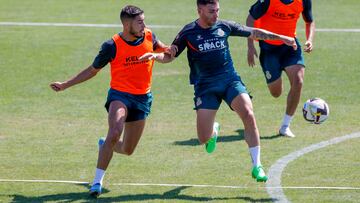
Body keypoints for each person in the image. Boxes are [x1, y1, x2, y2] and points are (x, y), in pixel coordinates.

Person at [140, 0, 297, 182]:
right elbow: (170, 54)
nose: (216, 15)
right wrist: (156, 57)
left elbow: (254, 32)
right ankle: (213, 132)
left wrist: (282, 37)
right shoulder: (188, 32)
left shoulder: (224, 26)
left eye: (217, 10)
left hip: (230, 80)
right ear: (199, 10)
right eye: (211, 11)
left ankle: (257, 166)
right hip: (205, 87)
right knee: (203, 138)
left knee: (248, 113)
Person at [50, 5, 170, 197]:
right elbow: (92, 70)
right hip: (119, 96)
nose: (144, 25)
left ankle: (105, 144)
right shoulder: (111, 46)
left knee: (128, 149)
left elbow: (167, 55)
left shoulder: (149, 36)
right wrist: (65, 84)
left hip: (143, 97)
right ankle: (97, 182)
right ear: (126, 23)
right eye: (140, 21)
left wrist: (160, 54)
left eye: (144, 20)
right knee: (114, 132)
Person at [246, 0, 315, 138]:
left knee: (298, 81)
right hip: (268, 49)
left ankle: (285, 125)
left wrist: (310, 39)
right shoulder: (268, 1)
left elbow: (309, 21)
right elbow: (250, 19)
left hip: (290, 46)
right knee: (276, 93)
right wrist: (251, 45)